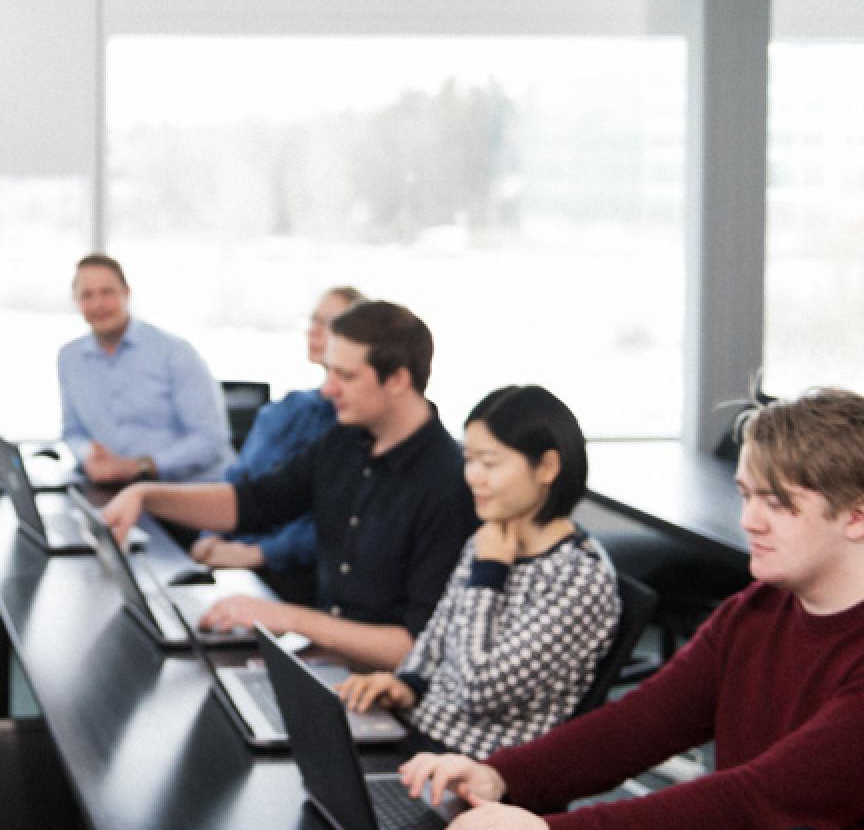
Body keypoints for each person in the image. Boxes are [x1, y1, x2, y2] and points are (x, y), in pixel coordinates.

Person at [399, 388, 864, 829]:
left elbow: (756, 800)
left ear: (856, 516)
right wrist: (500, 776)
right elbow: (641, 723)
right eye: (746, 495)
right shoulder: (757, 611)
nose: (748, 521)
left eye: (778, 503)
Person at [101, 300, 477, 670]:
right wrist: (144, 495)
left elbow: (417, 647)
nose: (328, 389)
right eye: (329, 371)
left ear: (397, 380)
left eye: (345, 376)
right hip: (328, 666)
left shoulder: (448, 484)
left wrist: (289, 618)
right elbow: (251, 503)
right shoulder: (343, 442)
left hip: (384, 691)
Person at [335, 385, 619, 759]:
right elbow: (437, 635)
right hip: (419, 738)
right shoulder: (491, 537)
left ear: (547, 467)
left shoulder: (579, 579)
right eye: (469, 459)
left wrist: (489, 575)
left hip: (474, 772)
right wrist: (408, 684)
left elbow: (479, 691)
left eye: (490, 463)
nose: (473, 476)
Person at [191, 286, 367, 603]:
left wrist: (258, 553)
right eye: (313, 320)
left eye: (329, 324)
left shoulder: (357, 428)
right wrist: (211, 535)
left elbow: (334, 522)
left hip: (291, 573)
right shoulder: (287, 409)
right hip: (234, 559)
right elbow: (240, 480)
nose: (314, 332)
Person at [58, 253, 233, 485]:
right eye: (87, 295)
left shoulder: (174, 352)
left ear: (126, 293)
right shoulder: (70, 358)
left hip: (189, 490)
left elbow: (211, 439)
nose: (98, 304)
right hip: (117, 489)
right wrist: (88, 455)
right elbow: (73, 432)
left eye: (107, 292)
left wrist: (139, 465)